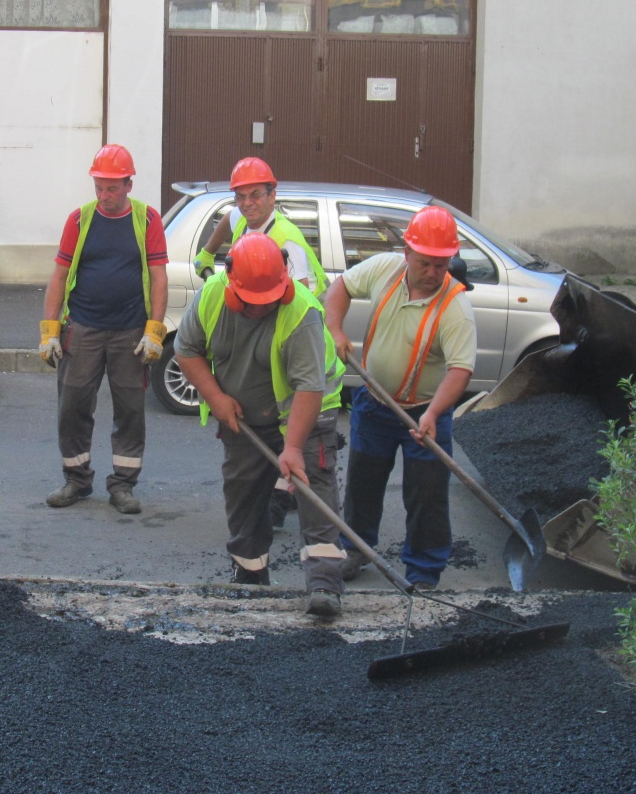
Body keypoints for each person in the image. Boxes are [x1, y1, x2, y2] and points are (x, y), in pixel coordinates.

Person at [175, 232, 347, 619]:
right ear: (232, 283)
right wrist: (216, 398)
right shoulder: (212, 297)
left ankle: (324, 585)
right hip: (245, 415)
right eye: (252, 303)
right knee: (242, 490)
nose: (261, 309)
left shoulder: (301, 312)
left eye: (269, 301)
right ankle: (250, 575)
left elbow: (308, 386)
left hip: (307, 410)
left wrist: (292, 448)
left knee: (314, 489)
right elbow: (186, 349)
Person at [322, 205, 477, 591]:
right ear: (407, 254)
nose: (433, 273)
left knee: (427, 493)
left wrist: (435, 413)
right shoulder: (383, 269)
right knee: (363, 481)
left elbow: (460, 371)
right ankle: (355, 548)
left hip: (426, 412)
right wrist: (335, 329)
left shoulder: (456, 307)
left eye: (441, 265)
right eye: (425, 263)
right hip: (375, 404)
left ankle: (424, 571)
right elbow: (339, 288)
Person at [192, 156, 328, 528]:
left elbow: (298, 304)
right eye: (241, 197)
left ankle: (279, 501)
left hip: (295, 342)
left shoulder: (288, 243)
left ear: (273, 194)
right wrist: (207, 254)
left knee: (287, 433)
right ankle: (271, 500)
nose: (247, 204)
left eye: (256, 195)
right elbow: (227, 221)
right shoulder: (242, 219)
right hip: (262, 336)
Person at [38, 143, 169, 515]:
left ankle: (123, 485)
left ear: (129, 184)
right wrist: (49, 331)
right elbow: (60, 274)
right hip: (82, 327)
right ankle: (76, 480)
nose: (104, 195)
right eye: (99, 186)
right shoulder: (79, 220)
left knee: (130, 409)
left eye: (112, 187)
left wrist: (154, 330)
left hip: (130, 331)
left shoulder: (148, 220)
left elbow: (159, 277)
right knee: (73, 405)